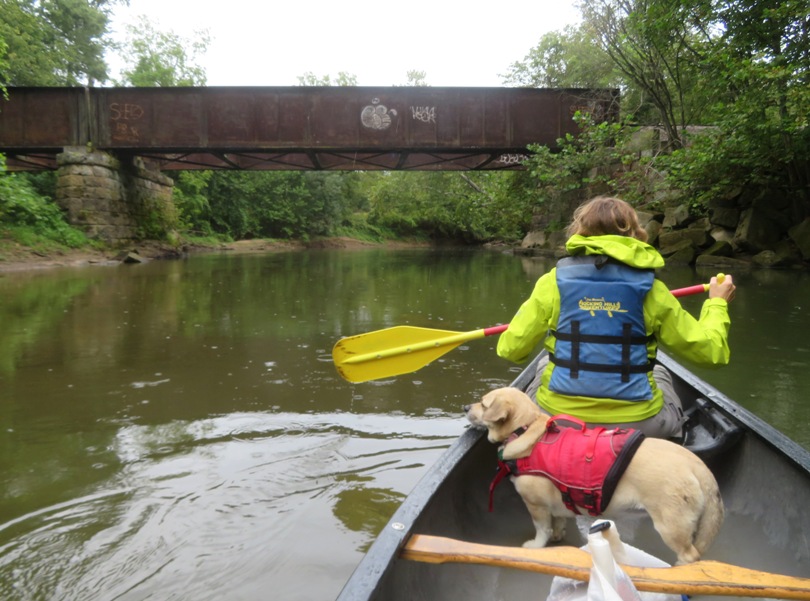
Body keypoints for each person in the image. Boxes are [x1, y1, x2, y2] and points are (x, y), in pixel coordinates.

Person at [496, 196, 736, 438]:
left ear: (580, 231)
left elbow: (511, 350)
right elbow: (711, 353)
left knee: (545, 364)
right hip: (638, 425)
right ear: (635, 233)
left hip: (559, 419)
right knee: (660, 372)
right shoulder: (652, 288)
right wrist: (717, 303)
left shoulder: (552, 282)